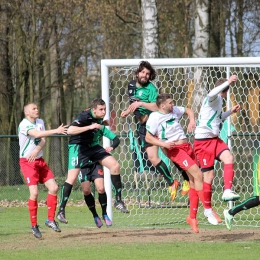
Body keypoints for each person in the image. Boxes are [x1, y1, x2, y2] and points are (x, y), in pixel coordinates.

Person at [145, 93, 221, 233]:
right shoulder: (154, 117)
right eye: (170, 103)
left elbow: (188, 110)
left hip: (187, 147)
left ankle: (192, 217)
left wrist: (192, 120)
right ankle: (208, 210)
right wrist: (163, 144)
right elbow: (148, 137)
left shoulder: (174, 110)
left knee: (193, 181)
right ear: (162, 106)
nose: (173, 104)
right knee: (198, 175)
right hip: (175, 150)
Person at [121, 60, 189, 201]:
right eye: (143, 72)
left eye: (148, 73)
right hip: (142, 126)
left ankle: (187, 179)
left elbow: (156, 106)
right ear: (138, 72)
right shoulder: (131, 85)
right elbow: (133, 104)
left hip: (154, 124)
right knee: (152, 158)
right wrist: (128, 110)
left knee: (171, 153)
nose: (145, 75)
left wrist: (141, 103)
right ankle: (172, 183)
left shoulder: (151, 89)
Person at [57, 98, 129, 224]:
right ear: (93, 109)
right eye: (101, 109)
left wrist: (111, 146)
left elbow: (113, 137)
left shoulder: (100, 120)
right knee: (72, 179)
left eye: (105, 109)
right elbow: (70, 130)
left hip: (93, 148)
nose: (103, 112)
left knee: (115, 165)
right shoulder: (84, 117)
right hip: (78, 148)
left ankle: (118, 201)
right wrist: (90, 127)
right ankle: (61, 211)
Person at [18, 103, 68, 239]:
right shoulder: (24, 124)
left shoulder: (40, 121)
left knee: (54, 187)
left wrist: (36, 150)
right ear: (27, 112)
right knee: (34, 193)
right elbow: (37, 134)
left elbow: (43, 139)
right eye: (33, 109)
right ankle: (34, 225)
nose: (37, 110)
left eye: (37, 108)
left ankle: (50, 220)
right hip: (27, 162)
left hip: (39, 160)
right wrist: (56, 130)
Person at [193, 75, 241, 217]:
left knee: (229, 158)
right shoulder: (214, 97)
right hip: (203, 141)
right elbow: (210, 93)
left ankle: (227, 190)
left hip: (214, 139)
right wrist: (228, 81)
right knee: (209, 176)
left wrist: (230, 112)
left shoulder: (219, 101)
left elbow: (218, 118)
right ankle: (208, 209)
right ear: (226, 90)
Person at [78, 163, 112, 228]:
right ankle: (95, 215)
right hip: (83, 164)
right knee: (86, 190)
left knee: (101, 188)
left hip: (95, 162)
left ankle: (105, 214)